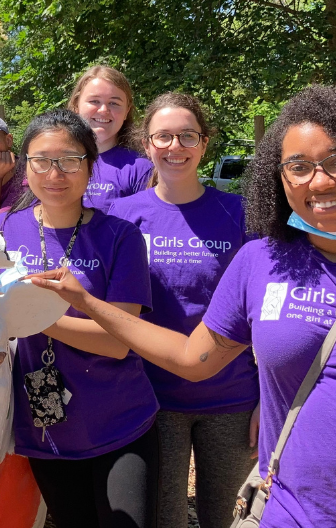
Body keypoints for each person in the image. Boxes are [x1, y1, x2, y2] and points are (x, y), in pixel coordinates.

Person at [29, 85, 336, 527]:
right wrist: (85, 301)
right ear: (277, 181)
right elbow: (191, 358)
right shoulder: (260, 262)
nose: (319, 181)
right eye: (298, 166)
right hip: (289, 513)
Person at [0, 109, 158, 528]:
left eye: (69, 160)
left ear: (90, 166)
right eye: (41, 160)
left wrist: (35, 317)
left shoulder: (120, 236)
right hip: (45, 427)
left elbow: (119, 341)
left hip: (120, 420)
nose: (55, 173)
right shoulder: (2, 230)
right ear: (26, 167)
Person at [108, 93, 258, 528]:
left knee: (230, 518)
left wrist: (269, 398)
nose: (176, 147)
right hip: (151, 399)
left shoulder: (240, 214)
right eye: (164, 136)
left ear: (205, 144)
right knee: (164, 518)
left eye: (188, 136)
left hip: (232, 396)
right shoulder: (120, 216)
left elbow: (262, 312)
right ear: (147, 144)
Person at [67, 65, 153, 211]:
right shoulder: (55, 161)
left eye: (114, 103)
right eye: (94, 101)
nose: (103, 110)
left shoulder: (140, 170)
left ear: (127, 111)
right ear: (76, 105)